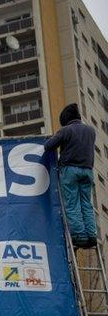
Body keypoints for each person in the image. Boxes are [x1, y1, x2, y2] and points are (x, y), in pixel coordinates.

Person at [44, 103, 97, 248]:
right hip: (87, 170)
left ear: (65, 119)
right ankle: (91, 235)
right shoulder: (91, 131)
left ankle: (79, 236)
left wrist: (56, 136)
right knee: (86, 203)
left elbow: (48, 146)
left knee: (72, 204)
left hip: (70, 171)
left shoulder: (66, 130)